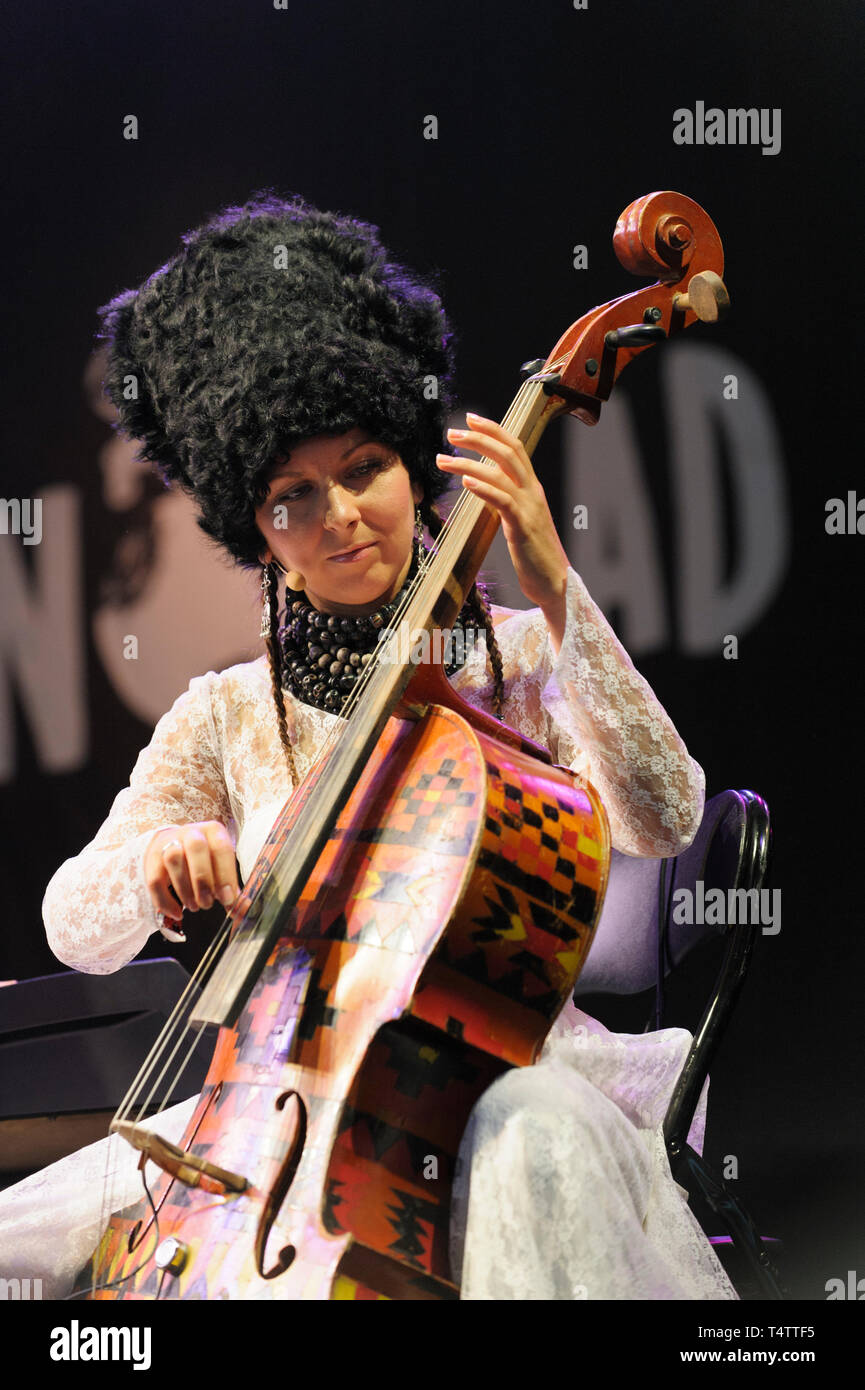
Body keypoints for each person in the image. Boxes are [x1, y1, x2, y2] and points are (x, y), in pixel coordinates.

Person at [0, 192, 736, 1300]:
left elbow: (666, 813)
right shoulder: (228, 713)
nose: (339, 512)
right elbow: (73, 925)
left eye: (362, 469)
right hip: (282, 1112)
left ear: (413, 466)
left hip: (507, 1078)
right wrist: (155, 867)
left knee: (529, 1141)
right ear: (262, 538)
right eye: (293, 497)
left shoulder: (527, 656)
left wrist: (553, 579)